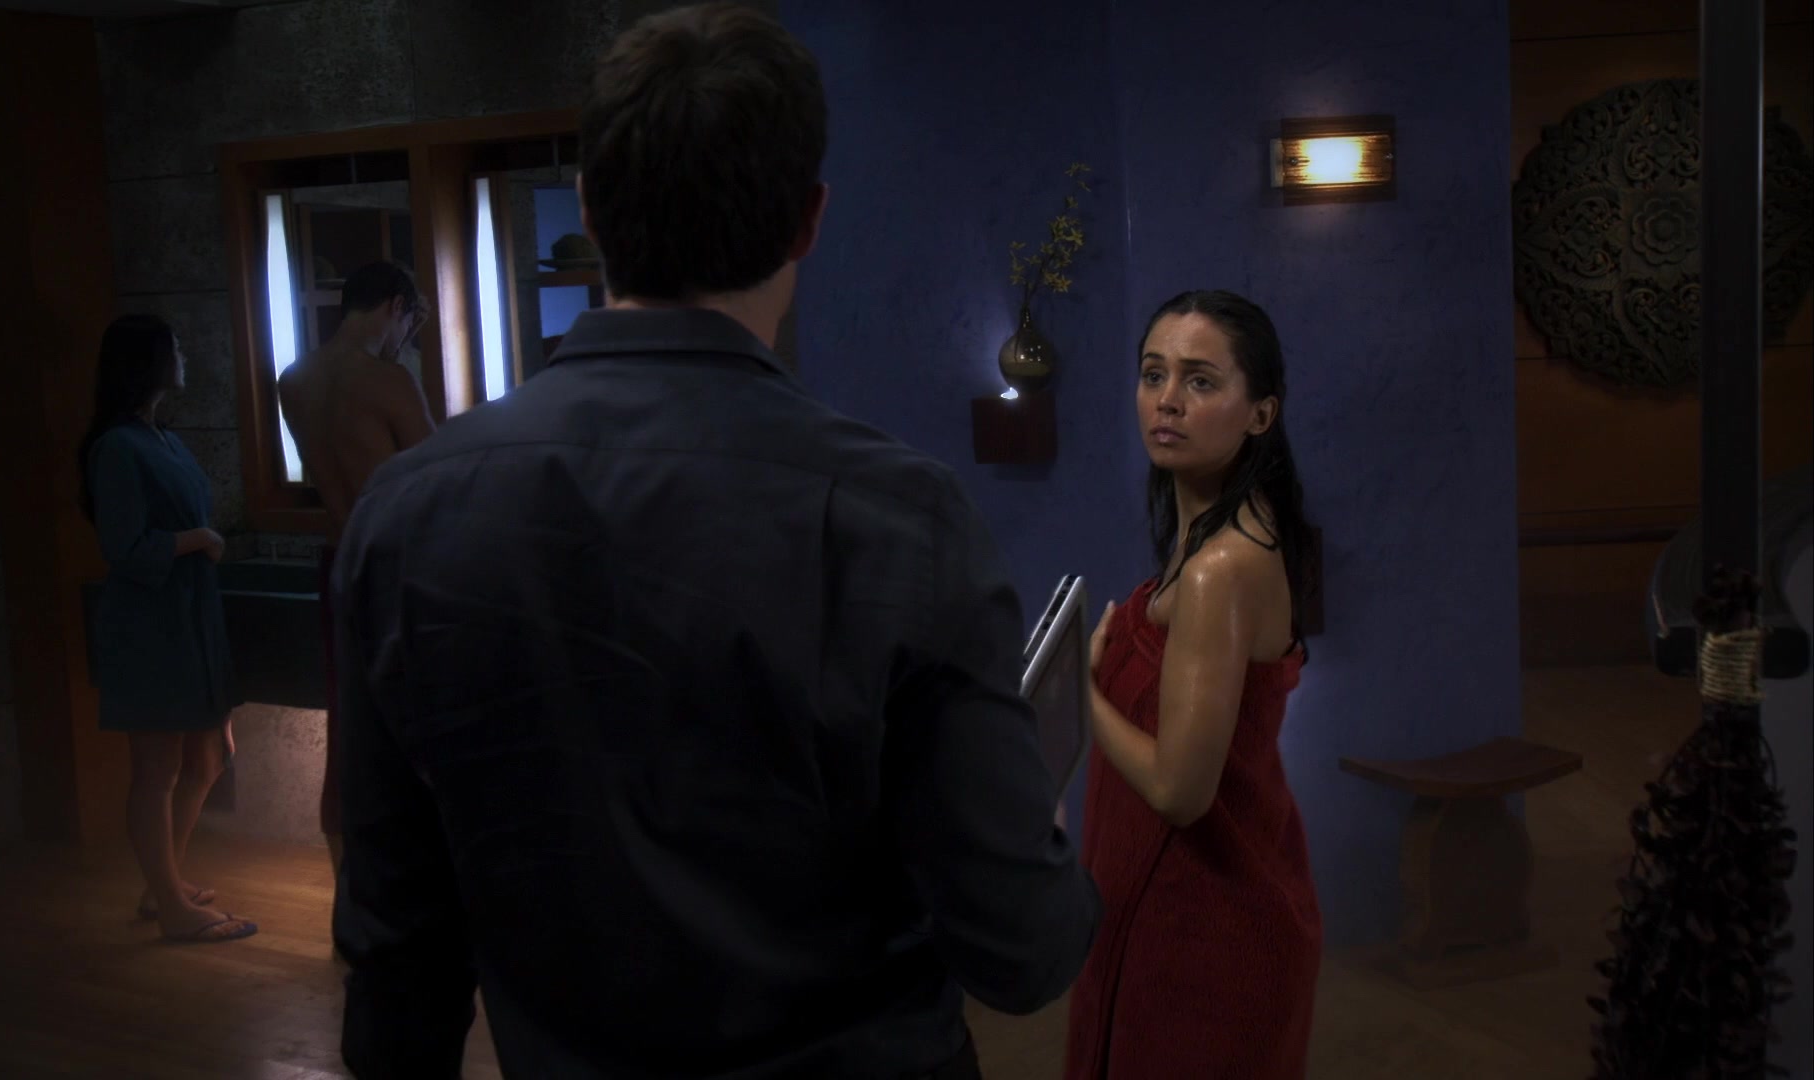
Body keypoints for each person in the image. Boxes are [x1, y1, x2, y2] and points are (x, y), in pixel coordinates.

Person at [329, 5, 1101, 1078]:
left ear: (590, 206)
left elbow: (396, 957)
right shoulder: (900, 519)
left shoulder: (406, 514)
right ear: (808, 220)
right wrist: (1039, 819)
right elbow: (1022, 950)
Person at [1064, 290, 1322, 1078]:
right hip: (1163, 908)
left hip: (1205, 928)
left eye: (1200, 380)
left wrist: (1077, 692)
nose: (1167, 400)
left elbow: (1180, 792)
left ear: (1261, 413)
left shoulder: (1221, 569)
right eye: (1154, 374)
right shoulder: (1201, 542)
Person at [80, 313, 256, 944]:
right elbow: (123, 546)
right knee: (156, 768)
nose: (183, 356)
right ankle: (171, 905)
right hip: (151, 624)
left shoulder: (162, 439)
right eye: (174, 348)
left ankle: (165, 884)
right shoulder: (117, 447)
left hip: (189, 616)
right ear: (147, 361)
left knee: (210, 754)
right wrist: (198, 538)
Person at [275, 260, 435, 876]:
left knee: (348, 722)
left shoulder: (294, 379)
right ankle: (416, 874)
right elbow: (432, 476)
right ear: (396, 306)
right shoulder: (388, 381)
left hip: (337, 558)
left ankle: (348, 884)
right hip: (393, 561)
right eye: (410, 322)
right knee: (415, 717)